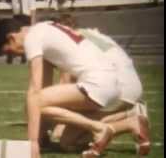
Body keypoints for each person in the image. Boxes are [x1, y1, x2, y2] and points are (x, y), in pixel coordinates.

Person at [0, 17, 150, 158]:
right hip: (110, 82)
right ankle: (130, 120)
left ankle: (99, 128)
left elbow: (35, 92)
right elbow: (45, 86)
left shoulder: (32, 38)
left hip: (99, 83)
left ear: (11, 37)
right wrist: (40, 135)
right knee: (67, 142)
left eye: (10, 52)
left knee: (33, 102)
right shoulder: (45, 28)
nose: (15, 57)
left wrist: (32, 144)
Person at [42, 14, 150, 155]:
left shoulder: (69, 43)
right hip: (131, 85)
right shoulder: (92, 33)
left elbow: (65, 85)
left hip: (117, 89)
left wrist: (56, 124)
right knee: (76, 128)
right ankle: (130, 115)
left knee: (66, 142)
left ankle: (129, 119)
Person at [6, 0, 36, 64]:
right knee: (13, 37)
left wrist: (32, 24)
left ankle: (23, 57)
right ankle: (10, 56)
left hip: (26, 17)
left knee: (25, 39)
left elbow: (33, 10)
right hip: (16, 17)